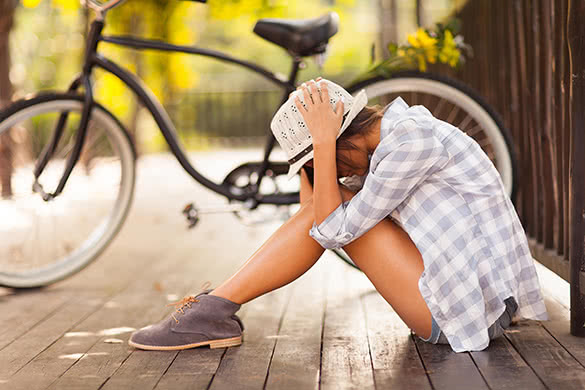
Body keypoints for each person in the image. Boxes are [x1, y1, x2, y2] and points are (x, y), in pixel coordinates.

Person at [128, 77, 548, 353]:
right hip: (461, 304)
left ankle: (211, 310)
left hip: (465, 314)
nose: (334, 173)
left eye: (323, 163)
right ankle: (212, 309)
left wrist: (322, 145)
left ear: (342, 136)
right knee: (331, 213)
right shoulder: (393, 141)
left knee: (339, 219)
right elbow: (311, 216)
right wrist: (319, 152)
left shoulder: (410, 144)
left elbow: (328, 229)